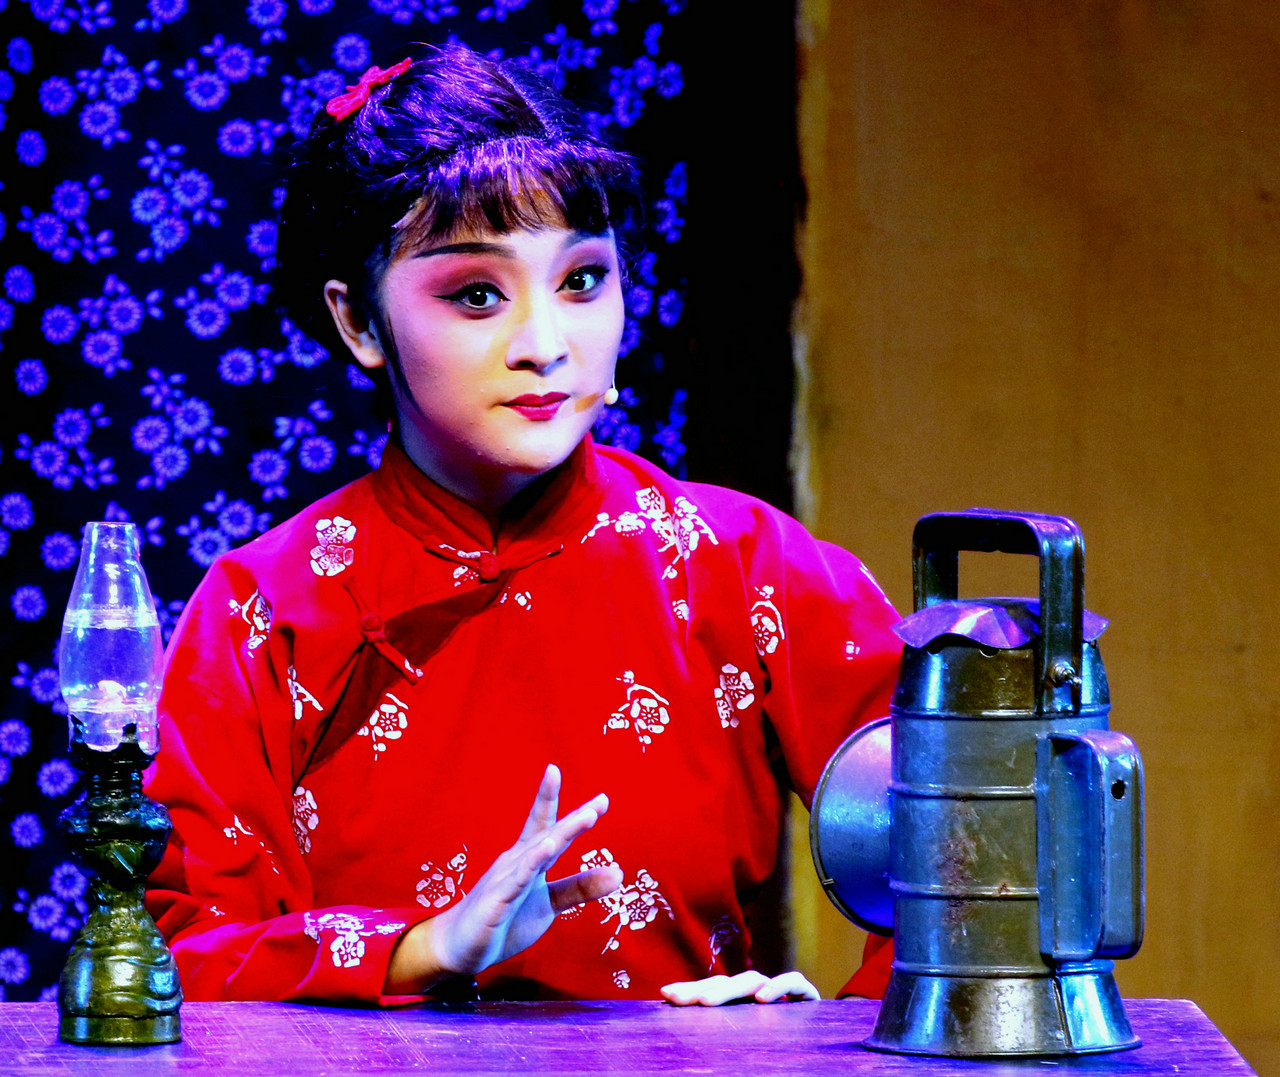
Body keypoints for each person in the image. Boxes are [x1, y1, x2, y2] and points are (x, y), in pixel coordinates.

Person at [145, 43, 901, 1007]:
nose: (545, 345)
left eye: (582, 280)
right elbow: (182, 957)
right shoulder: (262, 611)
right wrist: (422, 949)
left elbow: (978, 856)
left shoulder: (745, 565)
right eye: (476, 294)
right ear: (360, 323)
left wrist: (820, 1044)